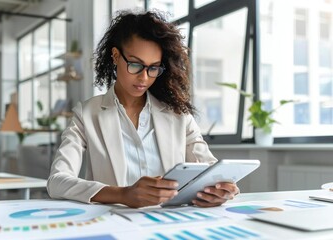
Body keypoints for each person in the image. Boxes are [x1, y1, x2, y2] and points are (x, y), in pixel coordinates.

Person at [47, 10, 239, 208]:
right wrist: (123, 194)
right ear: (115, 56)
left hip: (170, 223)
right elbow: (57, 182)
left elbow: (211, 169)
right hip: (115, 225)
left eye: (153, 67)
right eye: (135, 65)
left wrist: (220, 190)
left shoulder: (178, 114)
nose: (144, 78)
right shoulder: (87, 114)